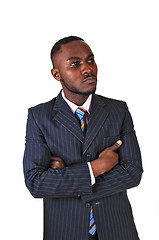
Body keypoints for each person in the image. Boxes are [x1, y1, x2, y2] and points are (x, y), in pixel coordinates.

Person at [23, 36, 143, 240]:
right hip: (65, 230)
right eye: (75, 64)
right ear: (56, 74)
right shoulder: (39, 116)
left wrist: (67, 180)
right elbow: (36, 182)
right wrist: (97, 167)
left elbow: (133, 172)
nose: (87, 69)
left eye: (90, 60)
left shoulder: (118, 110)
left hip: (117, 230)